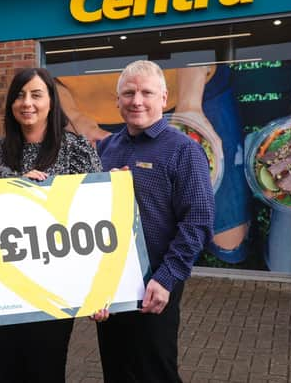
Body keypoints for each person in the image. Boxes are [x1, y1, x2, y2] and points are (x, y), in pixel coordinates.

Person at [95, 60, 214, 382]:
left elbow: (198, 220)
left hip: (155, 282)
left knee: (155, 371)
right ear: (117, 100)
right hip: (114, 285)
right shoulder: (105, 148)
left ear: (163, 98)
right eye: (128, 93)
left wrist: (167, 277)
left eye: (146, 92)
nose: (137, 101)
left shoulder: (184, 150)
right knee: (117, 370)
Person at [0, 67, 103, 383]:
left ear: (52, 101)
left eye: (37, 94)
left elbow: (96, 212)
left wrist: (101, 287)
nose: (27, 103)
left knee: (46, 369)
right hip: (5, 283)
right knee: (9, 369)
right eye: (20, 95)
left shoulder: (76, 149)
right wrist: (15, 188)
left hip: (55, 285)